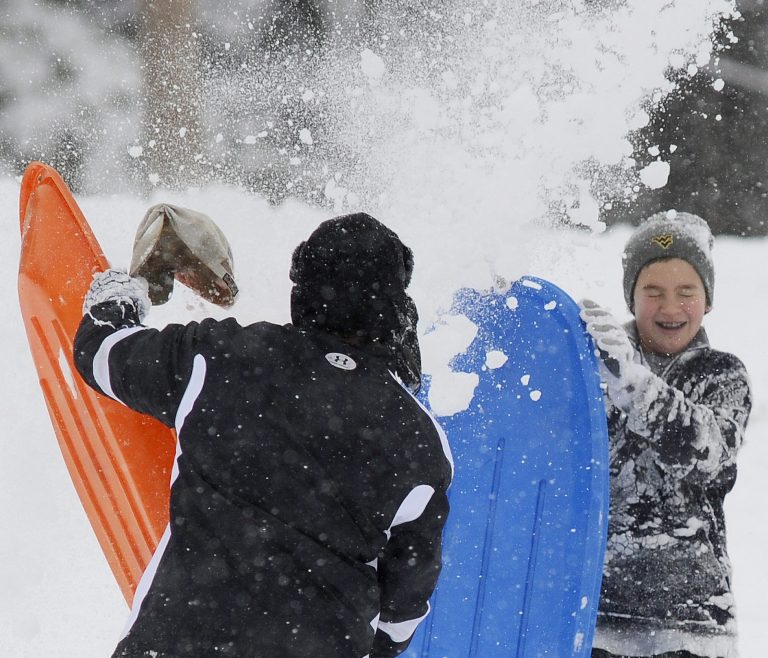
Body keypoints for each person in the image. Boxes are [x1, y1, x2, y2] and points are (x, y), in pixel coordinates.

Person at [73, 212, 454, 658]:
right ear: (395, 305)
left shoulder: (222, 357)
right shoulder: (421, 441)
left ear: (304, 290)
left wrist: (125, 294)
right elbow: (403, 606)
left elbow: (100, 353)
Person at [579, 211, 751, 658]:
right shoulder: (591, 371)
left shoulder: (724, 375)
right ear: (631, 298)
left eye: (686, 292)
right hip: (596, 618)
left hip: (693, 627)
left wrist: (633, 385)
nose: (670, 307)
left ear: (707, 300)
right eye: (652, 292)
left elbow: (707, 454)